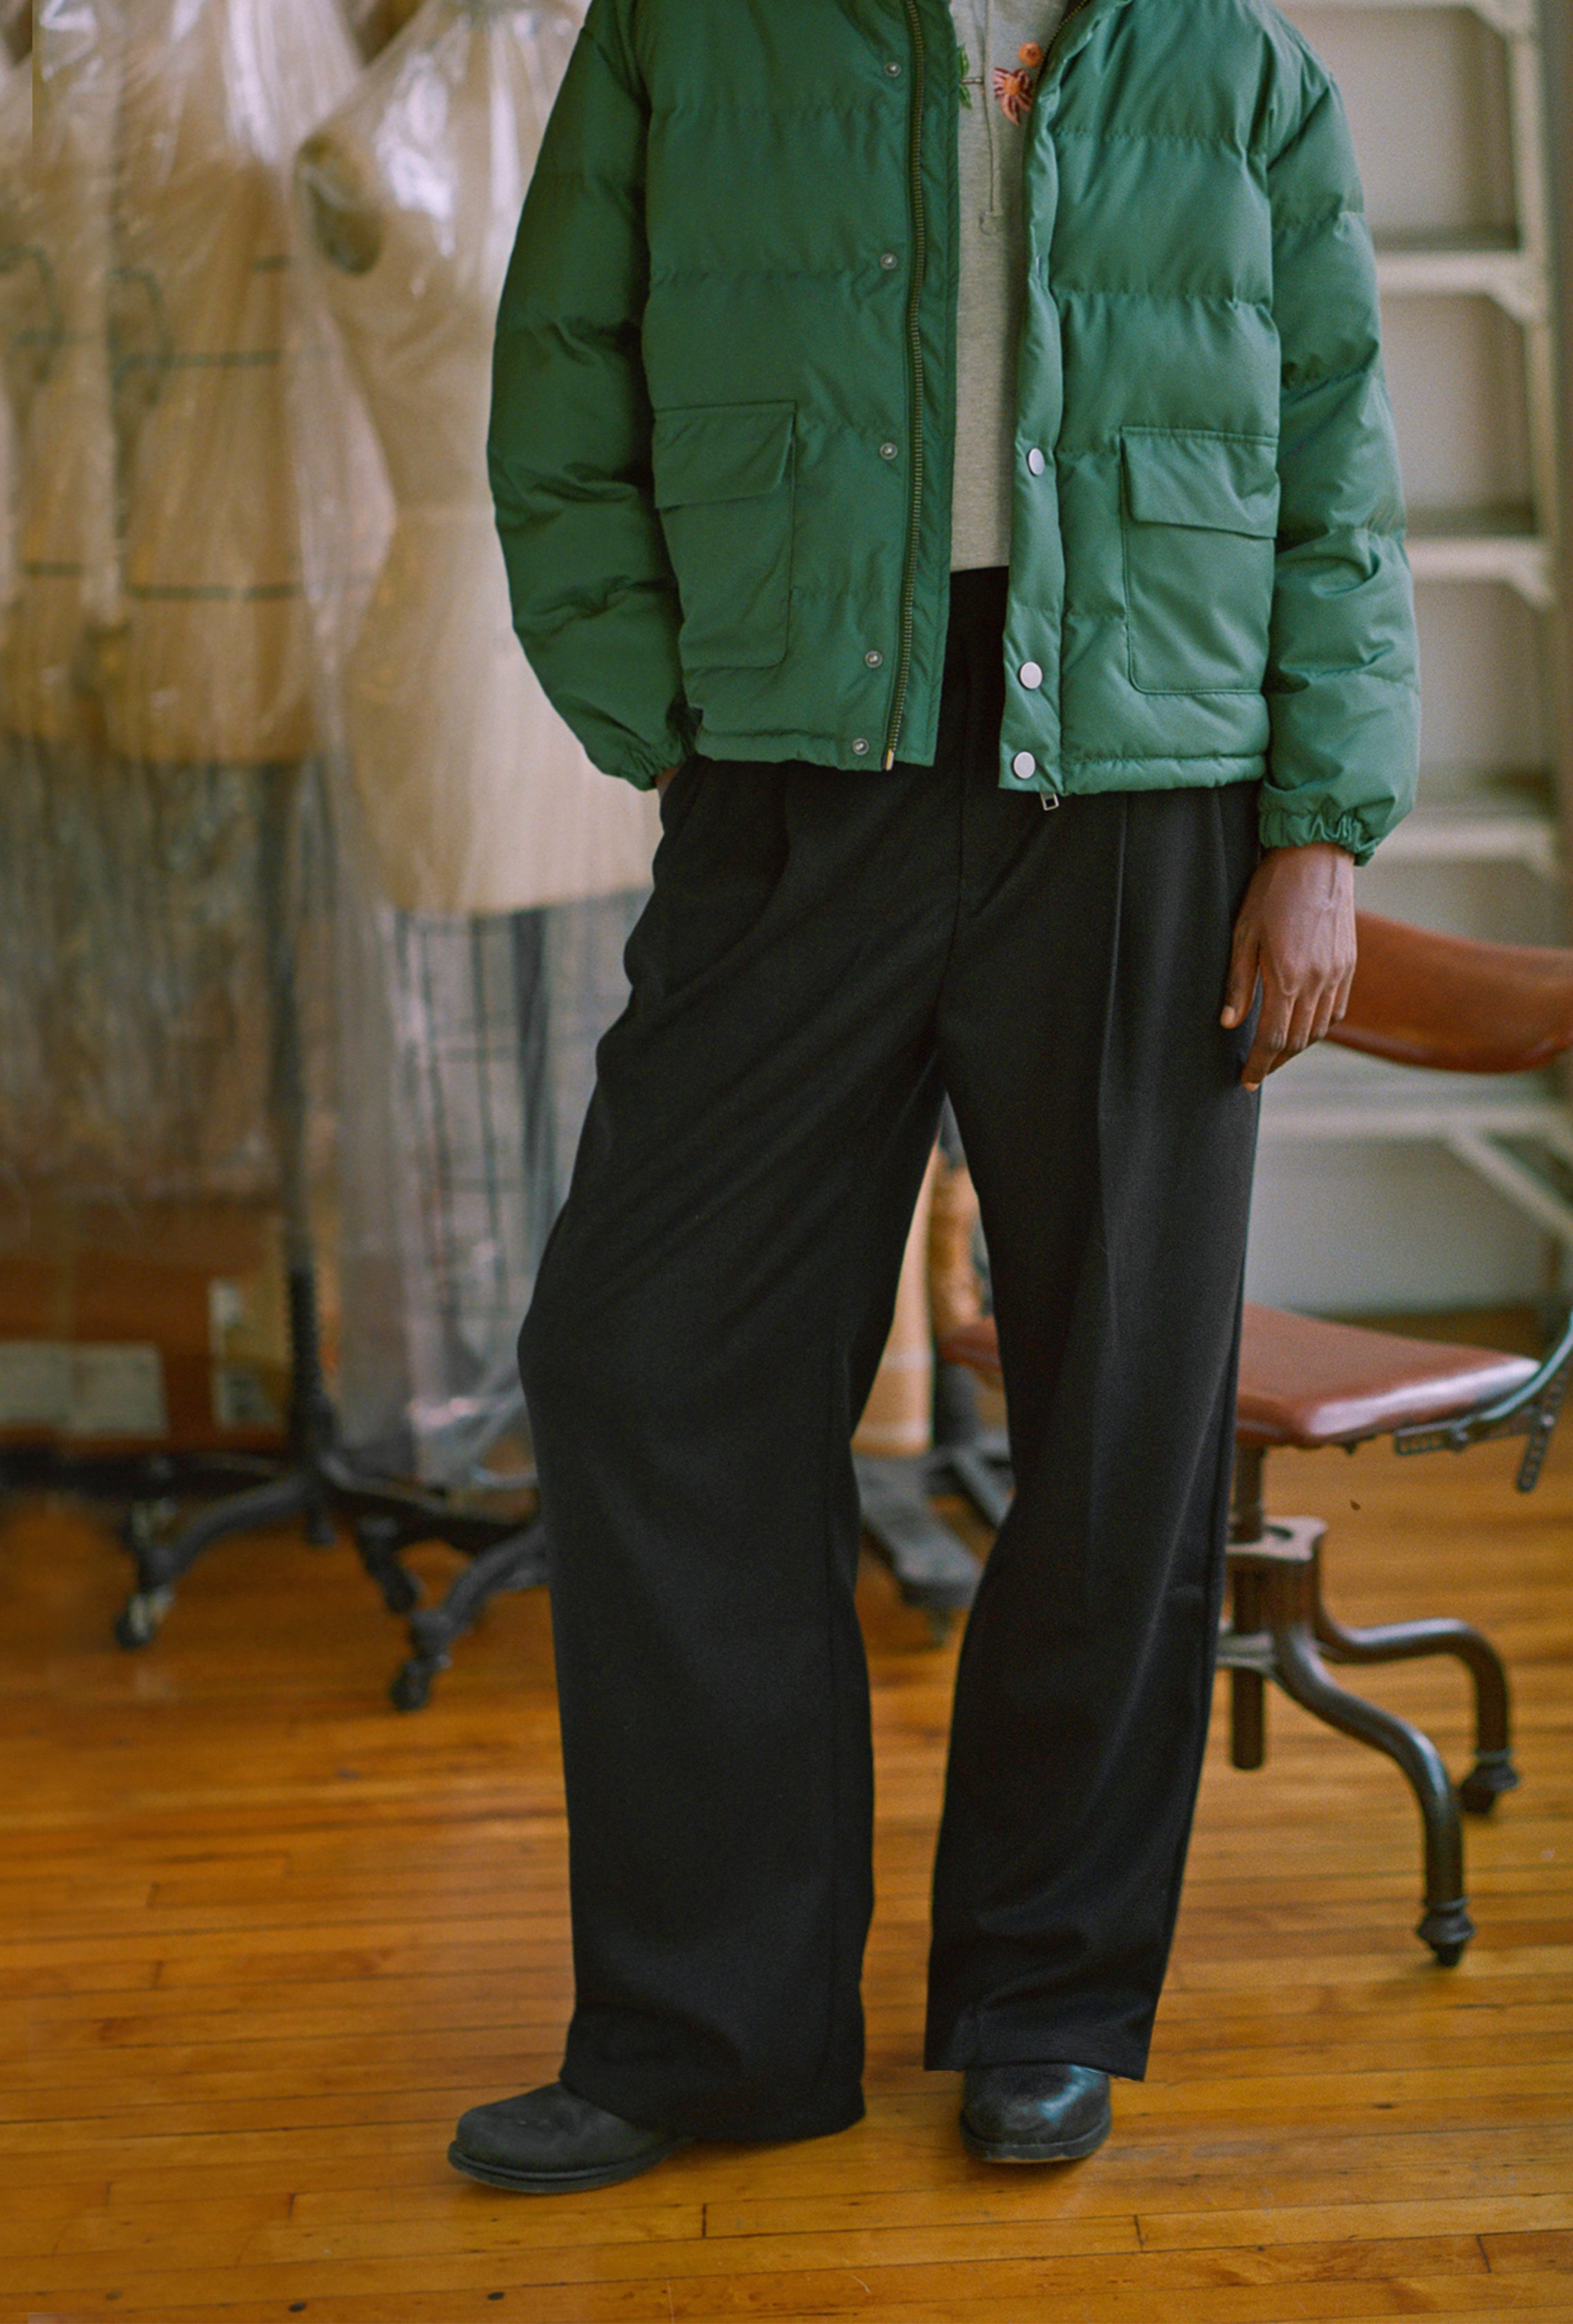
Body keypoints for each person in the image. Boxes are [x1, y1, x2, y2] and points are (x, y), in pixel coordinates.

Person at [452, 0, 1417, 2193]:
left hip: (1151, 793)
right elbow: (557, 382)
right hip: (802, 768)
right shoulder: (690, 34)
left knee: (1122, 1414)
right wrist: (668, 716)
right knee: (646, 1352)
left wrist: (1323, 824)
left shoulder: (1239, 68)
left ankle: (1045, 1995)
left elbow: (1341, 457)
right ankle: (707, 2031)